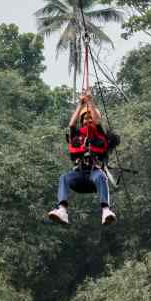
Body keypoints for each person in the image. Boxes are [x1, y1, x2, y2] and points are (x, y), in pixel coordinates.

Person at [47, 93, 116, 226]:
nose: (88, 120)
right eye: (85, 119)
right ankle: (62, 210)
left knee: (101, 176)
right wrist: (80, 104)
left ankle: (106, 210)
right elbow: (72, 125)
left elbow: (97, 121)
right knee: (64, 178)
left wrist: (90, 102)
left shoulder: (99, 135)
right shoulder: (77, 137)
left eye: (90, 118)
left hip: (94, 176)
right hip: (79, 176)